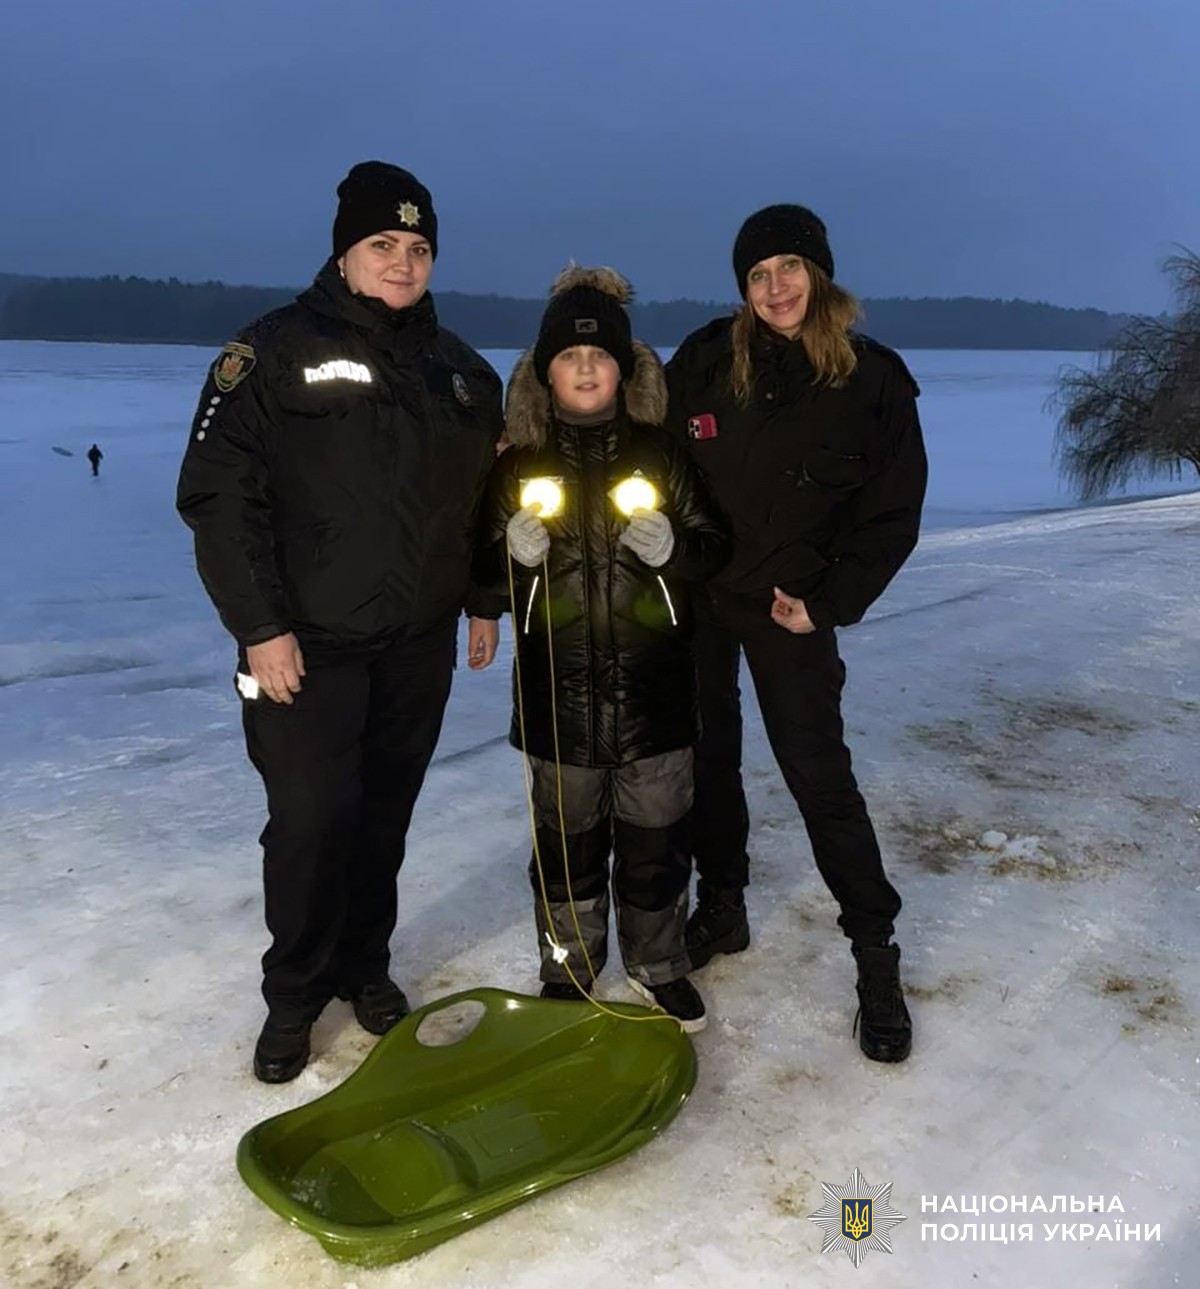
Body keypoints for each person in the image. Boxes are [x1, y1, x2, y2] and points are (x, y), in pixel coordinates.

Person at [177, 161, 504, 1083]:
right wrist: (258, 625)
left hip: (416, 642)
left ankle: (365, 961)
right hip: (304, 643)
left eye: (418, 247)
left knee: (384, 815)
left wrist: (483, 598)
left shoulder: (463, 374)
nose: (402, 264)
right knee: (312, 818)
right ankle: (294, 992)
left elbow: (482, 504)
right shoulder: (272, 351)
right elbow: (217, 496)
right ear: (345, 252)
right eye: (383, 246)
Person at [665, 205, 928, 1062]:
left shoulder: (873, 380)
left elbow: (892, 515)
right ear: (742, 288)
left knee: (819, 773)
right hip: (703, 600)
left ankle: (874, 951)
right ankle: (724, 904)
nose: (776, 287)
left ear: (819, 274)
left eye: (789, 267)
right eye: (757, 274)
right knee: (705, 758)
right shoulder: (705, 362)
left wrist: (828, 603)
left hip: (793, 609)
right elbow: (650, 461)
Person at [473, 266, 730, 1031]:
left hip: (655, 703)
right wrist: (507, 554)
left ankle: (657, 963)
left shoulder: (662, 456)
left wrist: (675, 546)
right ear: (544, 373)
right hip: (560, 706)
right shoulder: (519, 464)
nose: (585, 368)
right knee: (566, 851)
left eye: (599, 356)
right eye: (568, 357)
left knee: (656, 846)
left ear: (623, 368)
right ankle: (569, 968)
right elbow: (480, 573)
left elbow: (717, 547)